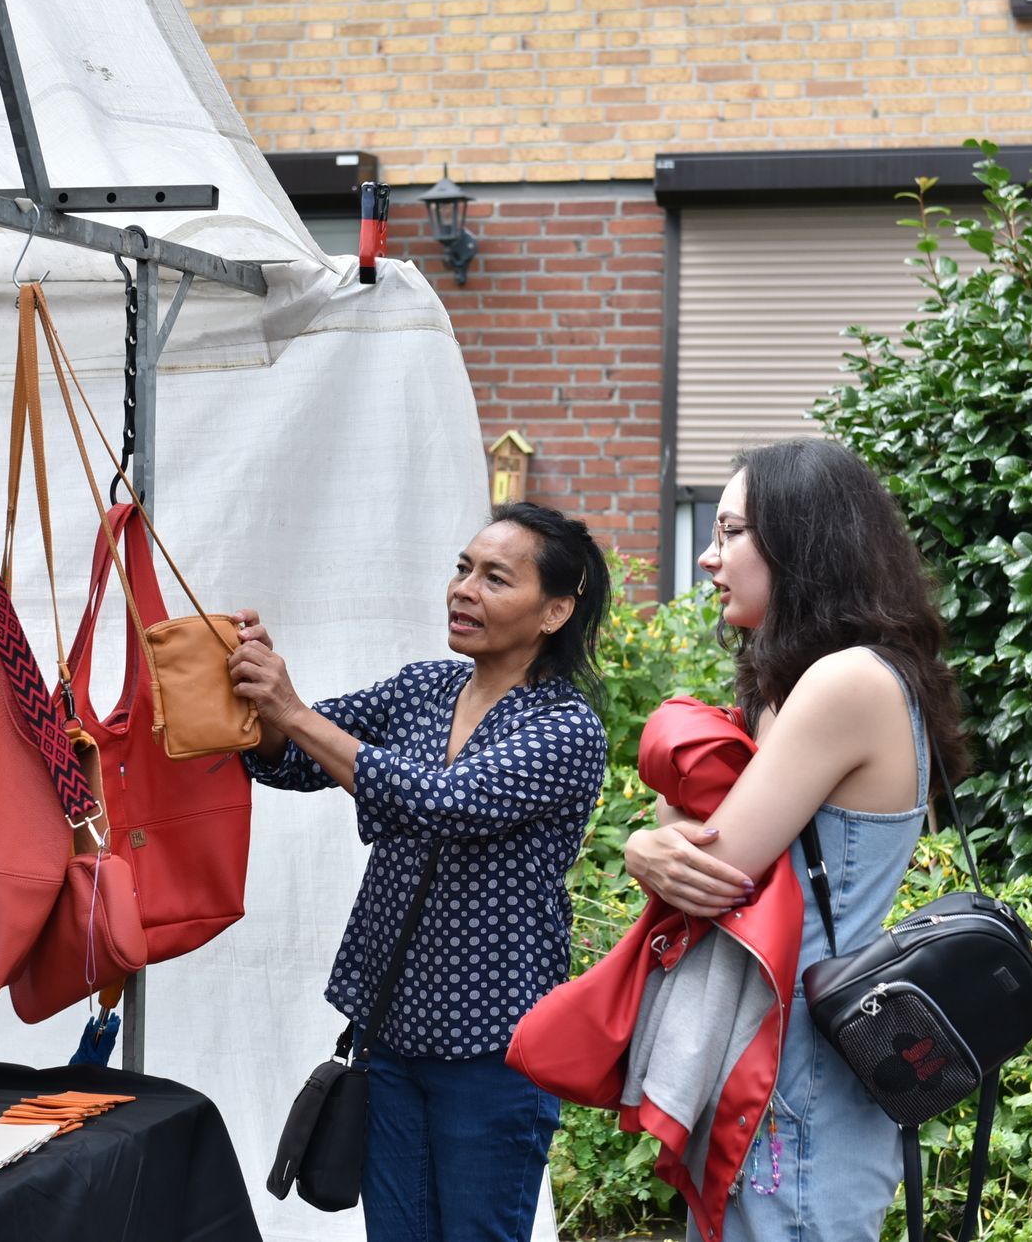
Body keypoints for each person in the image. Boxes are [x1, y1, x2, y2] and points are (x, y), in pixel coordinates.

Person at [230, 501, 611, 1242]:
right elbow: (293, 758)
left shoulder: (564, 728)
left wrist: (294, 708)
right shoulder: (425, 689)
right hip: (392, 1031)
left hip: (495, 1047)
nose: (464, 589)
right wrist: (260, 689)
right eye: (463, 568)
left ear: (554, 611)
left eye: (496, 578)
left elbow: (446, 803)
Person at [621, 438, 969, 1242]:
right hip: (790, 1067)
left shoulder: (846, 682)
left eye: (731, 532)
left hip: (799, 1084)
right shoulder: (814, 684)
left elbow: (713, 867)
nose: (709, 558)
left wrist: (649, 842)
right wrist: (661, 842)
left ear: (805, 542)